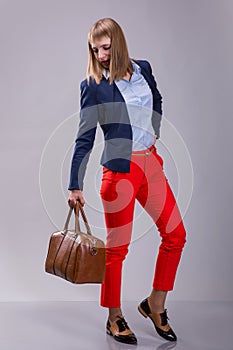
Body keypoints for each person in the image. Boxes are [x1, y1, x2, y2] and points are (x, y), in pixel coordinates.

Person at [68, 18, 186, 345]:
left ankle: (155, 304)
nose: (101, 54)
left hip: (151, 165)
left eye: (106, 47)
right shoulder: (93, 85)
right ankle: (114, 316)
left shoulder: (143, 68)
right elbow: (84, 138)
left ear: (118, 41)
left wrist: (154, 133)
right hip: (119, 174)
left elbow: (156, 100)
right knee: (117, 250)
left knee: (176, 235)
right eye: (95, 49)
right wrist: (74, 184)